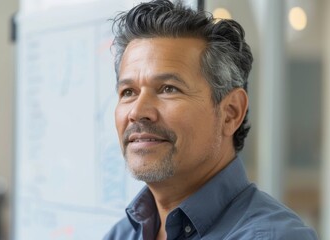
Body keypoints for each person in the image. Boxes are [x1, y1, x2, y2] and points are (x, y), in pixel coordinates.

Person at [104, 0, 318, 239]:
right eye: (128, 92)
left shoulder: (272, 236)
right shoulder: (122, 233)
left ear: (230, 112)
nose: (137, 111)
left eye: (168, 88)